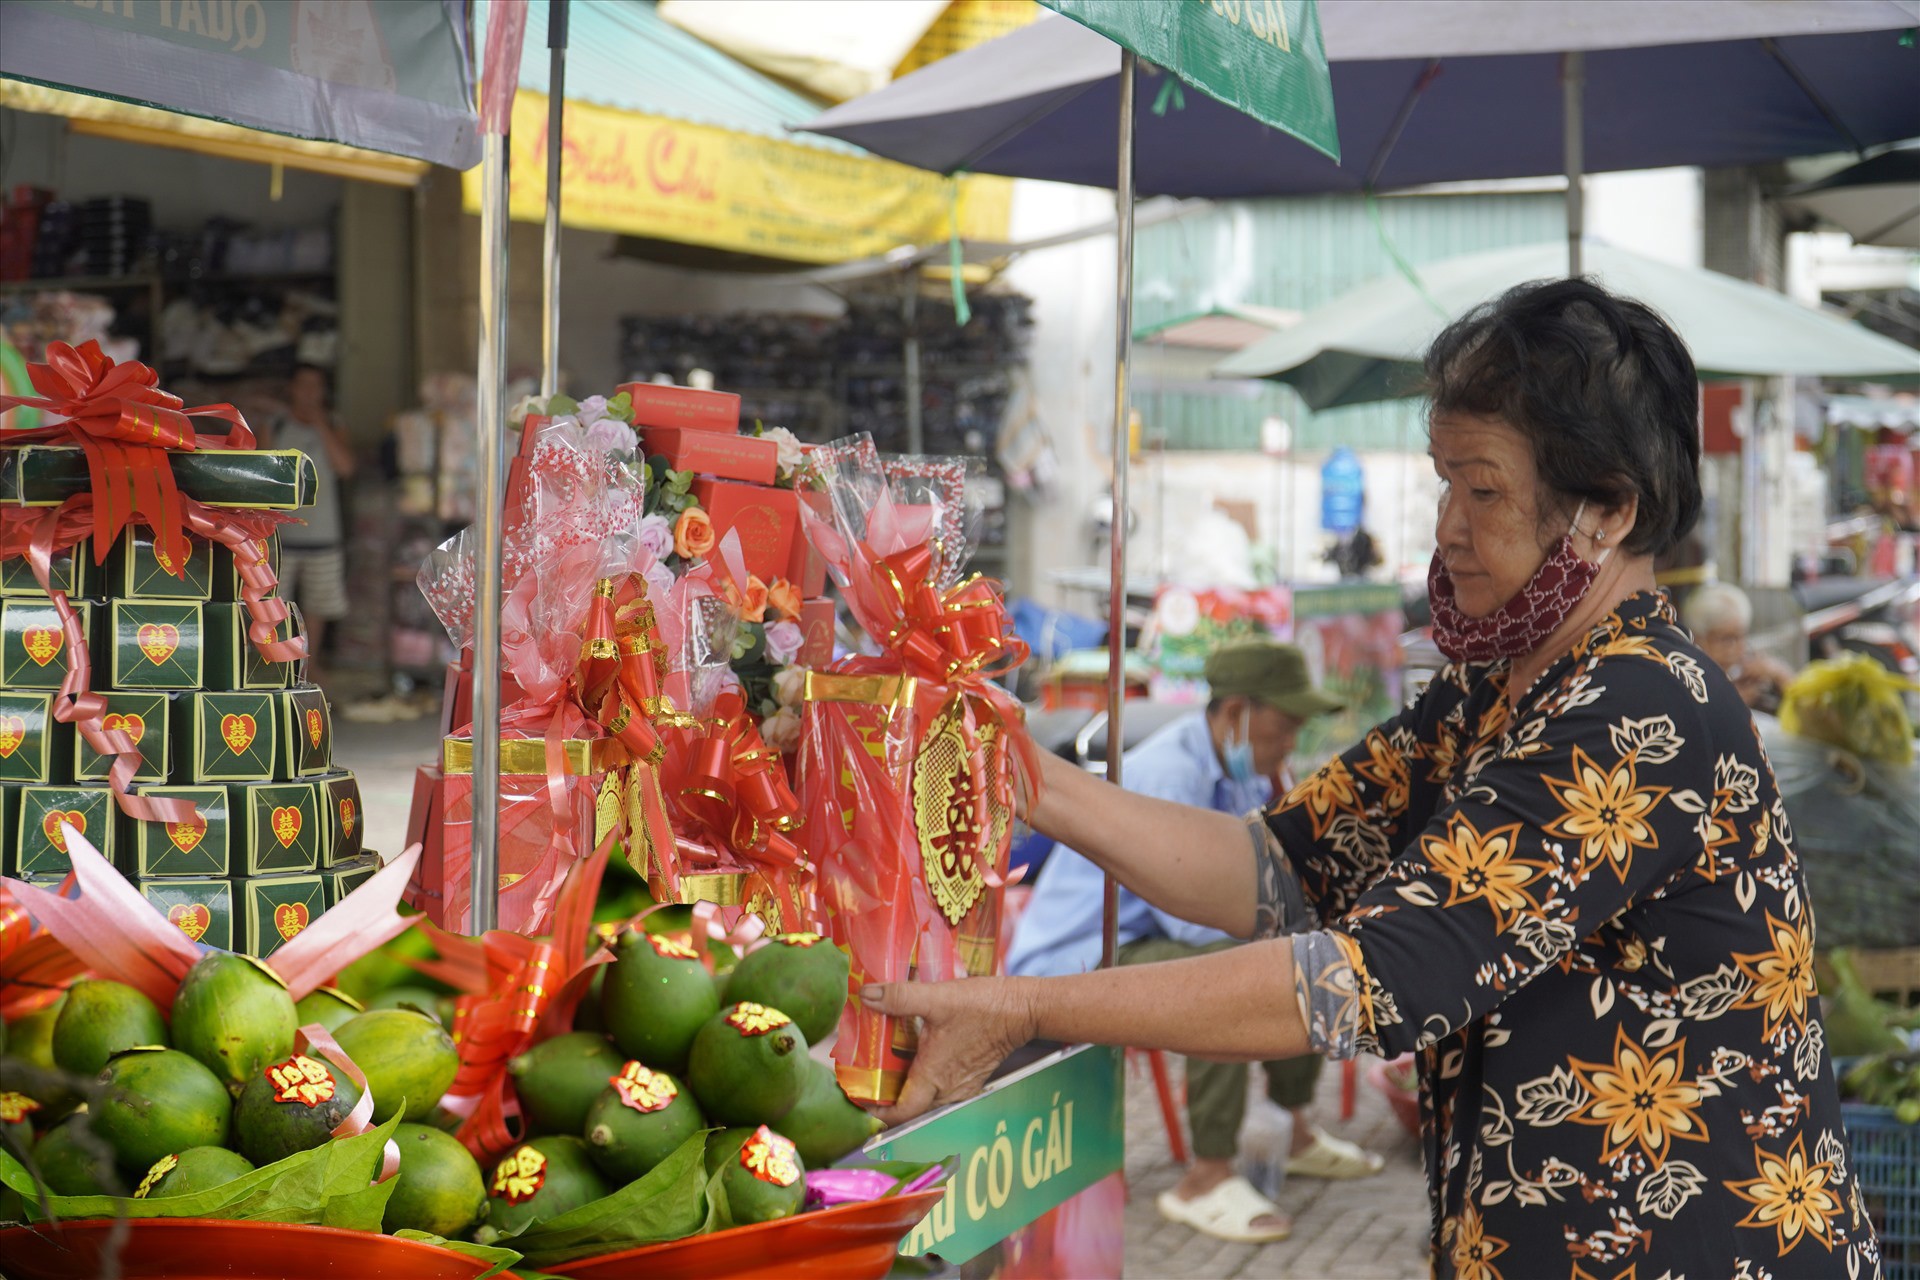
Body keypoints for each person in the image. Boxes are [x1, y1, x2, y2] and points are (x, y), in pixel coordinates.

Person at [865, 280, 1882, 1279]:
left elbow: (1360, 980)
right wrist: (1018, 773)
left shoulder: (1642, 706)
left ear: (1607, 511)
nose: (1446, 527)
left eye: (1482, 490)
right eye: (1444, 483)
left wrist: (1026, 1006)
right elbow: (1271, 870)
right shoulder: (1489, 695)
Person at [1006, 642, 1379, 1244]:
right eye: (1285, 726)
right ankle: (1206, 1176)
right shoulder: (1170, 773)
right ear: (1235, 713)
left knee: (1310, 948)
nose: (1290, 743)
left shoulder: (1240, 769)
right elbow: (1197, 922)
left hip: (1146, 933)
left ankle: (1292, 1130)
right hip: (1077, 954)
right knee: (1226, 971)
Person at [267, 363, 355, 676]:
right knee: (274, 605)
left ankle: (310, 667)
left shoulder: (333, 424)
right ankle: (277, 668)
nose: (309, 393)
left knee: (319, 606)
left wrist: (320, 425)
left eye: (315, 386)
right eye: (303, 385)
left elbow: (345, 467)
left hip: (323, 532)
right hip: (280, 536)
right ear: (291, 388)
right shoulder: (275, 425)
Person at [1683, 581, 1795, 714]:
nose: (1739, 648)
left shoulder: (1748, 670)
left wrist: (1778, 674)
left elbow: (1805, 703)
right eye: (1727, 639)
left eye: (1742, 636)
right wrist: (1734, 703)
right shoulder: (1688, 679)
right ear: (1698, 639)